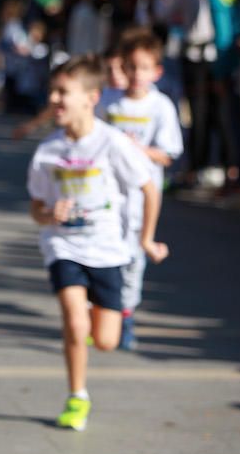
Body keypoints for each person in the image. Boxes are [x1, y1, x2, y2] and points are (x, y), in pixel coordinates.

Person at [27, 55, 169, 431]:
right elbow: (36, 207)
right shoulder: (48, 150)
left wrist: (147, 238)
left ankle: (99, 326)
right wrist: (48, 215)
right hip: (64, 246)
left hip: (108, 249)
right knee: (75, 323)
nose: (55, 99)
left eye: (63, 92)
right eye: (52, 91)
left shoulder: (113, 143)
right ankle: (77, 396)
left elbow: (149, 188)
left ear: (92, 97)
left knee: (105, 340)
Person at [97, 29, 182, 350]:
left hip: (142, 197)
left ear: (156, 72)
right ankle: (106, 313)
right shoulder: (108, 100)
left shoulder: (160, 107)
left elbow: (168, 154)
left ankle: (127, 313)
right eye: (131, 67)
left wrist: (138, 150)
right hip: (106, 193)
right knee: (106, 255)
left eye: (144, 68)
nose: (136, 75)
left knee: (133, 257)